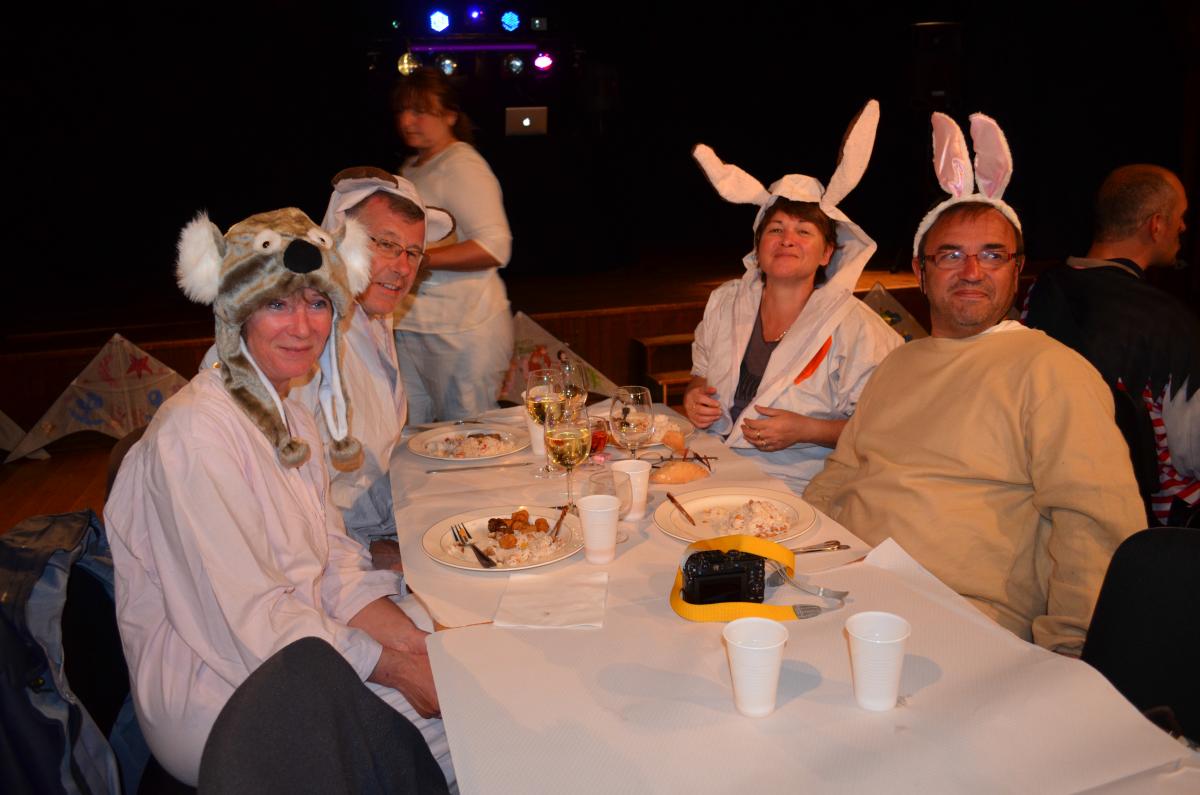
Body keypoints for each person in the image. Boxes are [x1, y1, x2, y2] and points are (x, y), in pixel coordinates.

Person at [105, 208, 451, 787]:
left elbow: (333, 563)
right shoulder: (195, 434)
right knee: (473, 729)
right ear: (236, 310)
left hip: (298, 642)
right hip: (224, 698)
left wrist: (417, 646)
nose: (303, 326)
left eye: (317, 303)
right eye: (276, 304)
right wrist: (398, 669)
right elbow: (250, 621)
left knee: (465, 656)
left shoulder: (291, 415)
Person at [804, 112, 1145, 655]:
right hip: (844, 587)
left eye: (992, 255)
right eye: (951, 255)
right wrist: (798, 548)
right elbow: (841, 473)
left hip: (957, 619)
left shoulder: (1052, 372)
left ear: (1017, 269)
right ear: (920, 271)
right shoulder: (900, 363)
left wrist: (1069, 655)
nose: (971, 271)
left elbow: (1095, 526)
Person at [684, 100, 902, 493]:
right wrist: (694, 395)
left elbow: (884, 428)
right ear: (758, 248)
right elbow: (700, 372)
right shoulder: (725, 302)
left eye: (804, 232)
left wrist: (807, 430)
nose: (787, 240)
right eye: (776, 229)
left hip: (799, 484)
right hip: (711, 462)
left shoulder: (857, 329)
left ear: (827, 253)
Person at [1023, 164, 1199, 526]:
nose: (1183, 227)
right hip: (1149, 526)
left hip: (1046, 500)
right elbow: (1191, 450)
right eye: (1180, 216)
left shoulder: (1037, 293)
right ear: (1156, 225)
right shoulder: (1171, 321)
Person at [315, 167, 454, 563]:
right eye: (387, 244)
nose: (404, 267)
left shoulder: (374, 317)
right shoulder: (305, 339)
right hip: (334, 554)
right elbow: (287, 498)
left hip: (376, 528)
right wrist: (374, 553)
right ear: (338, 238)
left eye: (413, 252)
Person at [392, 67, 514, 423]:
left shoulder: (462, 165)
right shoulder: (412, 167)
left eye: (419, 111)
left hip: (462, 330)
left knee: (466, 435)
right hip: (415, 325)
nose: (407, 120)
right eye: (402, 110)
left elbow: (494, 247)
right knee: (412, 435)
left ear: (449, 115)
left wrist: (417, 259)